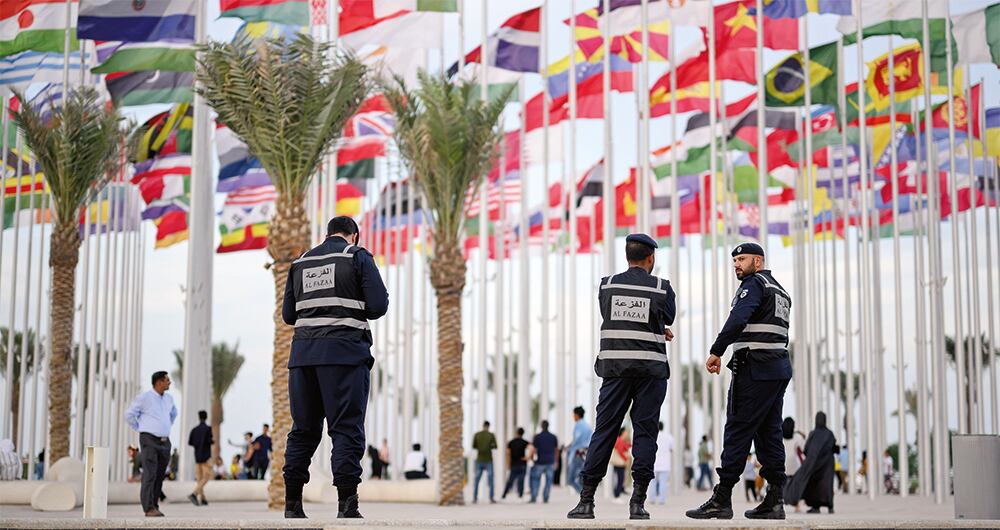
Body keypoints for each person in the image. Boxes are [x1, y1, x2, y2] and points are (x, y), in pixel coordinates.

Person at [281, 216, 389, 519]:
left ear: (326, 234)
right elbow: (378, 306)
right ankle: (347, 505)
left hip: (303, 358)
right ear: (353, 236)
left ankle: (292, 504)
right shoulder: (356, 256)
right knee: (346, 429)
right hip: (344, 356)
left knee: (303, 430)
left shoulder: (300, 263)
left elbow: (289, 315)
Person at [567, 232, 676, 521]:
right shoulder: (662, 287)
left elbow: (613, 316)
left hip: (615, 371)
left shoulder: (608, 285)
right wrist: (659, 327)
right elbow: (668, 316)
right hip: (651, 372)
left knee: (604, 431)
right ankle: (638, 503)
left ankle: (586, 501)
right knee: (645, 433)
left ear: (627, 257)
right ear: (651, 258)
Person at [686, 243, 793, 521]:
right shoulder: (781, 292)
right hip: (777, 368)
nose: (736, 264)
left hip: (754, 368)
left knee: (738, 428)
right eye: (734, 260)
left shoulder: (754, 284)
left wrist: (717, 350)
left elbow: (738, 318)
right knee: (769, 432)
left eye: (742, 259)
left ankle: (722, 499)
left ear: (758, 261)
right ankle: (775, 499)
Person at [124, 371, 177, 517]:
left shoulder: (169, 399)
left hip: (165, 442)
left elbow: (174, 413)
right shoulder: (145, 398)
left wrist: (165, 426)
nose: (169, 382)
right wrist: (141, 428)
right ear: (159, 382)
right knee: (150, 474)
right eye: (167, 380)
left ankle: (154, 505)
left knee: (160, 475)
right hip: (149, 440)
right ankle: (148, 508)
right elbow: (129, 415)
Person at [784, 412, 837, 514]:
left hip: (815, 464)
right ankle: (830, 506)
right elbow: (834, 447)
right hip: (827, 465)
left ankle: (816, 507)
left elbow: (806, 449)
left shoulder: (813, 434)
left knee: (815, 486)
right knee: (827, 484)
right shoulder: (830, 434)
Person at [187, 410, 213, 506]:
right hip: (206, 457)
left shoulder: (194, 430)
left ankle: (203, 498)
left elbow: (190, 442)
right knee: (207, 477)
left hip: (197, 456)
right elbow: (209, 440)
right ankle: (194, 494)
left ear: (199, 417)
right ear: (206, 417)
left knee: (199, 478)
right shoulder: (208, 429)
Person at [529, 420, 558, 504]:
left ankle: (534, 497)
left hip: (539, 462)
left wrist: (532, 458)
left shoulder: (537, 437)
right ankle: (545, 497)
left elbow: (533, 449)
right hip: (550, 461)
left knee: (535, 480)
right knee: (548, 481)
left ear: (541, 426)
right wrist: (556, 461)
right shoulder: (553, 437)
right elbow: (556, 450)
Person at [782, 417, 806, 512]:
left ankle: (781, 503)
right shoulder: (797, 437)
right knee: (796, 486)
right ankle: (797, 505)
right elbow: (804, 448)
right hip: (795, 465)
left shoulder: (779, 435)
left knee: (782, 485)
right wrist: (802, 435)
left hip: (783, 464)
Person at [566, 406, 592, 494]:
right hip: (585, 454)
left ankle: (584, 496)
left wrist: (570, 448)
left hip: (577, 455)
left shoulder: (578, 425)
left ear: (577, 415)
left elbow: (577, 440)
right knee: (581, 479)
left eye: (573, 415)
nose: (573, 417)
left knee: (570, 479)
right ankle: (585, 496)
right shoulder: (587, 426)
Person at [471, 421, 498, 504]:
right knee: (491, 480)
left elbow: (474, 446)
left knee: (477, 480)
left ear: (483, 426)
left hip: (479, 459)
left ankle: (475, 498)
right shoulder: (491, 435)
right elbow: (495, 446)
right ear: (488, 426)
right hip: (488, 460)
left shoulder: (477, 435)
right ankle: (491, 498)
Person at [502, 428, 529, 499]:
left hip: (514, 464)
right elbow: (532, 448)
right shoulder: (525, 442)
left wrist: (508, 464)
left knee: (510, 481)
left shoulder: (511, 442)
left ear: (516, 433)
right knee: (521, 480)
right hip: (522, 464)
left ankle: (504, 494)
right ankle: (520, 495)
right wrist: (527, 457)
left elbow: (507, 454)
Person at [652, 422, 674, 505]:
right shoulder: (668, 437)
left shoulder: (653, 436)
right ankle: (662, 500)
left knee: (652, 483)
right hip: (665, 464)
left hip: (654, 463)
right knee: (663, 483)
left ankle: (652, 499)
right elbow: (672, 449)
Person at [611, 428, 631, 500]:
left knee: (620, 478)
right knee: (620, 479)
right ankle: (617, 496)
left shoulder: (622, 440)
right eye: (626, 432)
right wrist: (625, 460)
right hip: (620, 463)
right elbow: (620, 451)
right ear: (622, 432)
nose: (627, 433)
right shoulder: (619, 440)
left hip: (620, 463)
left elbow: (629, 446)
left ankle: (619, 493)